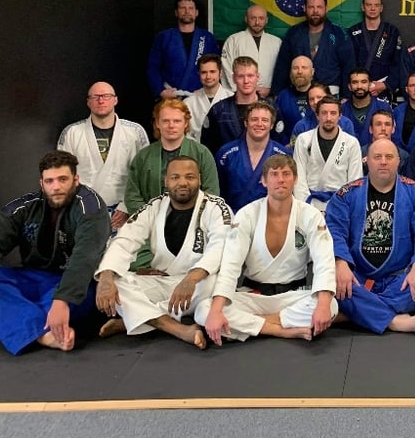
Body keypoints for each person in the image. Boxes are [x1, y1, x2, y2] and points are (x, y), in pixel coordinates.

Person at [0, 151, 110, 354]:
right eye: (49, 181)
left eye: (63, 179)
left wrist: (62, 300)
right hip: (33, 279)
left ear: (76, 180)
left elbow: (84, 259)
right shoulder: (27, 206)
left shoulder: (90, 207)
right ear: (42, 183)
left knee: (72, 299)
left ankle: (2, 325)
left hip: (73, 282)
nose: (56, 187)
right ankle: (41, 335)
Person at [95, 156, 233, 349]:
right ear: (166, 181)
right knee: (116, 282)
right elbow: (125, 239)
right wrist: (106, 276)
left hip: (199, 283)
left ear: (200, 179)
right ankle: (174, 328)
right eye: (175, 177)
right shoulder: (154, 206)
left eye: (190, 177)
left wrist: (191, 278)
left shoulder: (216, 207)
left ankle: (136, 318)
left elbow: (221, 247)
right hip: (163, 281)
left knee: (214, 283)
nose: (183, 182)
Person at [197, 155, 337, 342]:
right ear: (263, 181)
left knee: (331, 305)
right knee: (204, 310)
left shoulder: (311, 215)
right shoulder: (247, 215)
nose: (281, 179)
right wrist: (216, 310)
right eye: (274, 174)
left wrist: (323, 304)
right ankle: (280, 330)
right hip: (254, 295)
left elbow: (324, 261)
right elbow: (231, 265)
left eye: (286, 174)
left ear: (295, 179)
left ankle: (250, 325)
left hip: (294, 295)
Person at [325, 139, 415, 335]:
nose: (383, 162)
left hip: (398, 277)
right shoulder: (346, 194)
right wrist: (340, 262)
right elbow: (334, 231)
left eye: (389, 157)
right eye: (377, 157)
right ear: (366, 160)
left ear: (398, 161)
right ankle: (393, 320)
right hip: (357, 276)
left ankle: (354, 312)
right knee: (329, 280)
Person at [124, 99, 219, 267]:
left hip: (191, 226)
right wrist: (151, 218)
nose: (171, 126)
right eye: (165, 121)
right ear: (157, 123)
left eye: (177, 121)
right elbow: (132, 195)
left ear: (186, 124)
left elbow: (211, 193)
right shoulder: (143, 156)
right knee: (134, 264)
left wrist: (186, 217)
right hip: (149, 229)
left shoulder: (201, 153)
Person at [57, 81, 148, 211]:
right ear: (88, 102)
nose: (101, 101)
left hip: (124, 209)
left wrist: (126, 207)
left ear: (115, 100)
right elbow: (62, 174)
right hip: (83, 209)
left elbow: (144, 174)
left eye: (106, 96)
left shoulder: (135, 132)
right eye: (95, 97)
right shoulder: (72, 133)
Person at [272, 0, 356, 96]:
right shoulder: (294, 33)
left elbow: (348, 66)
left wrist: (347, 96)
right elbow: (282, 66)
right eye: (311, 7)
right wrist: (277, 94)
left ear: (326, 8)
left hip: (330, 93)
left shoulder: (339, 33)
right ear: (304, 8)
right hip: (298, 92)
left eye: (319, 7)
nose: (315, 11)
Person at [215, 102, 292, 212]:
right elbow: (217, 193)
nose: (259, 124)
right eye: (254, 119)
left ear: (271, 125)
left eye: (265, 120)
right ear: (246, 123)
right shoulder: (226, 154)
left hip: (269, 217)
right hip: (233, 218)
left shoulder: (283, 156)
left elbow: (287, 194)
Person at [293, 95, 362, 209]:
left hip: (340, 204)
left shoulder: (351, 143)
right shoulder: (303, 140)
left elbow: (354, 181)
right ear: (317, 115)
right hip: (309, 202)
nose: (328, 118)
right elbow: (299, 179)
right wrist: (305, 207)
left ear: (340, 116)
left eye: (333, 113)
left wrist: (344, 207)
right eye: (324, 113)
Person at [146, 0, 219, 99]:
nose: (187, 11)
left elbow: (216, 67)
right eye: (182, 8)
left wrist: (211, 89)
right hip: (171, 95)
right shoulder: (164, 37)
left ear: (196, 12)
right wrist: (160, 90)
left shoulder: (207, 38)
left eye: (191, 8)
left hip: (200, 95)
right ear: (176, 12)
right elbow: (153, 67)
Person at [348, 0, 403, 101]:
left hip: (383, 88)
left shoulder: (392, 31)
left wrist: (386, 85)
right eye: (369, 5)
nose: (372, 8)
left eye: (376, 5)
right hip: (359, 88)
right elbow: (348, 63)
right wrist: (360, 84)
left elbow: (398, 63)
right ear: (363, 7)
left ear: (381, 8)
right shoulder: (353, 32)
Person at [202, 56, 262, 154]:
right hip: (226, 162)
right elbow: (207, 149)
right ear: (234, 78)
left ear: (257, 77)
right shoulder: (218, 110)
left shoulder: (271, 109)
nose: (246, 81)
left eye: (250, 76)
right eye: (241, 76)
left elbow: (278, 146)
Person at [220, 4, 280, 99]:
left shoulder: (276, 42)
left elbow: (281, 70)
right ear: (246, 19)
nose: (257, 22)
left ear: (266, 20)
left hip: (268, 95)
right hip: (240, 95)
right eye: (253, 18)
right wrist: (241, 90)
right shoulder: (233, 40)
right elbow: (226, 68)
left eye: (261, 18)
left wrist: (271, 89)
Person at [183, 55, 233, 141]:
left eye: (212, 72)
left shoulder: (231, 98)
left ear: (220, 73)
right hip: (196, 147)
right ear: (199, 74)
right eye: (204, 72)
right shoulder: (188, 102)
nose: (208, 76)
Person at [289, 82, 357, 145]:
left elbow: (351, 147)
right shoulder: (301, 126)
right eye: (311, 99)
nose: (315, 102)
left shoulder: (346, 123)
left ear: (329, 97)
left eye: (319, 97)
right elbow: (294, 149)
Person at [341, 68, 393, 147]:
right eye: (355, 82)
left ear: (370, 84)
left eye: (364, 82)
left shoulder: (383, 107)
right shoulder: (342, 110)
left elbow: (392, 136)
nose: (359, 86)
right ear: (349, 86)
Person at [274, 55, 316, 144]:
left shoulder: (321, 95)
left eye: (304, 68)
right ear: (290, 72)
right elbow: (278, 126)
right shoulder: (283, 96)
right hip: (288, 148)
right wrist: (289, 145)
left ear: (312, 71)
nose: (299, 71)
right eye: (295, 68)